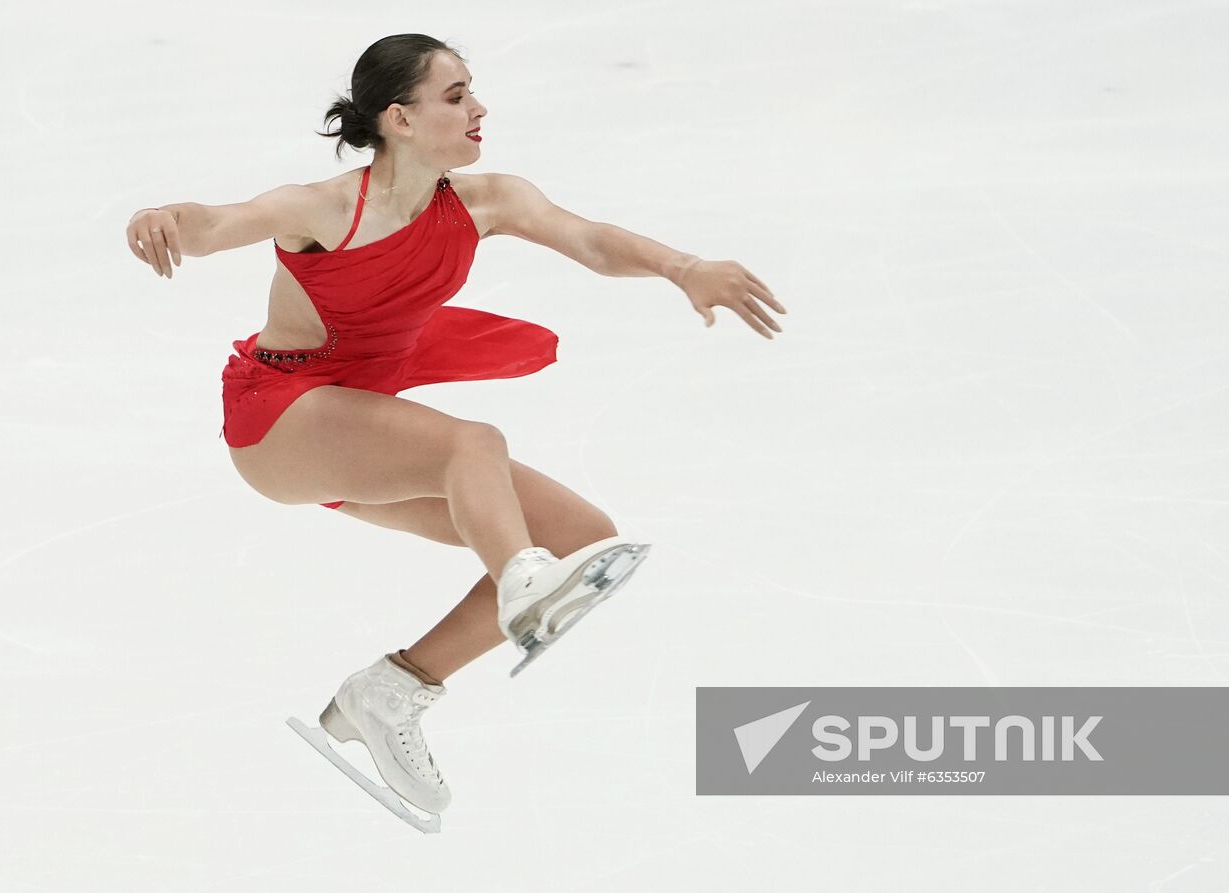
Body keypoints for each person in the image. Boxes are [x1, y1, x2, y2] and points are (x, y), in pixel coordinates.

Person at [123, 34, 786, 827]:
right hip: (281, 418)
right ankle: (524, 586)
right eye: (456, 95)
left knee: (578, 535)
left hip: (364, 430)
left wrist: (682, 268)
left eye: (473, 91)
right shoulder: (328, 208)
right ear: (399, 118)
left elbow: (590, 239)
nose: (478, 108)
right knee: (475, 444)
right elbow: (217, 222)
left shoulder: (485, 199)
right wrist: (160, 217)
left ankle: (394, 687)